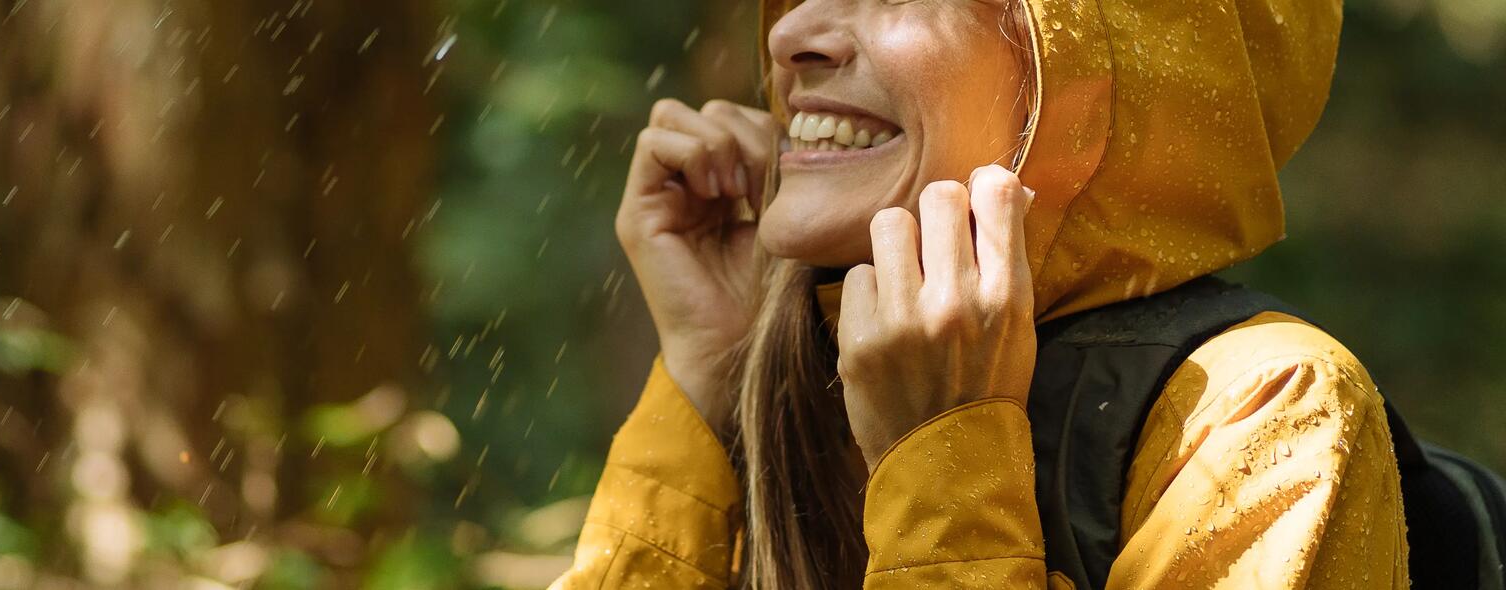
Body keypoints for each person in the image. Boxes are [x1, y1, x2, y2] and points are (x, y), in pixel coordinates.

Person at [555, 0, 1407, 588]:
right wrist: (711, 380)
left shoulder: (1263, 413)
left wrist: (944, 455)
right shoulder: (811, 360)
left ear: (1099, 68)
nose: (791, 35)